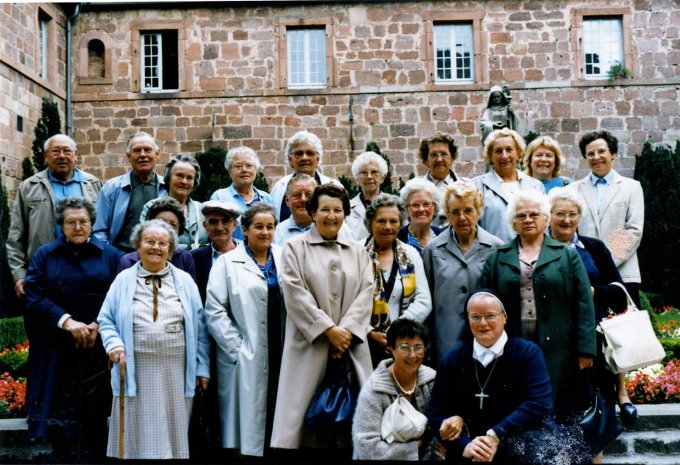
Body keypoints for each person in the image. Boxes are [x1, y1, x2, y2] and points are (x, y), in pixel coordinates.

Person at [271, 184, 374, 453]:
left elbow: (366, 293)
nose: (331, 216)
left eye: (338, 210)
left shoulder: (359, 250)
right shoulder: (294, 247)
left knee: (351, 428)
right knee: (307, 430)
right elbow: (294, 293)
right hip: (310, 344)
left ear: (345, 213)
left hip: (349, 346)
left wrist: (346, 331)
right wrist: (328, 330)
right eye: (325, 209)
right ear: (313, 212)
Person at [98, 219, 210, 459]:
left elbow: (200, 328)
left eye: (162, 243)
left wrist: (202, 367)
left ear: (170, 249)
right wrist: (114, 344)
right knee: (137, 434)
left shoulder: (185, 281)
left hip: (176, 369)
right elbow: (106, 320)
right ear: (138, 246)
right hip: (136, 367)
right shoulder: (123, 280)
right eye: (149, 241)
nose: (156, 247)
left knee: (171, 431)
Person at [480, 190, 596, 415]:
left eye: (534, 214)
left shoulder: (567, 254)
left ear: (546, 219)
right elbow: (486, 303)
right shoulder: (497, 258)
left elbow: (583, 303)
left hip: (560, 347)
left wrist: (586, 349)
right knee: (518, 400)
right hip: (512, 344)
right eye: (521, 216)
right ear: (513, 223)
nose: (528, 220)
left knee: (559, 404)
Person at [23, 197, 122, 462]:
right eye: (71, 222)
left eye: (83, 221)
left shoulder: (111, 256)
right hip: (58, 350)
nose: (78, 227)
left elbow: (122, 294)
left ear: (92, 224)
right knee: (61, 425)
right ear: (61, 226)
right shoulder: (45, 255)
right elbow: (33, 296)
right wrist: (68, 322)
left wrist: (99, 324)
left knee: (97, 422)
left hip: (98, 348)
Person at [548, 188, 634, 461]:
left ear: (579, 218)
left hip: (593, 342)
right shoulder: (537, 248)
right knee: (559, 411)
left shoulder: (594, 247)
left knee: (596, 409)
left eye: (572, 214)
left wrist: (592, 291)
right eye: (559, 214)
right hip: (554, 344)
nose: (566, 220)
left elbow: (619, 295)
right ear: (548, 217)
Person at [427, 291, 554, 464]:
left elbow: (539, 403)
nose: (483, 323)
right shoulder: (453, 359)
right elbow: (436, 413)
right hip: (469, 449)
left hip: (518, 445)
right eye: (475, 317)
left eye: (490, 316)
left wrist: (495, 435)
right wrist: (465, 446)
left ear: (505, 317)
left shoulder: (527, 353)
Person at [205, 203, 284, 457]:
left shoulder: (285, 257)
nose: (265, 232)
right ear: (245, 230)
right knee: (246, 428)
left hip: (282, 349)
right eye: (258, 227)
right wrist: (237, 349)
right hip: (245, 351)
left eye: (270, 227)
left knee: (278, 419)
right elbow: (214, 310)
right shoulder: (227, 263)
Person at [7, 134, 101, 298]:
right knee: (45, 320)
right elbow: (16, 236)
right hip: (44, 271)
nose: (62, 156)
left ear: (75, 154)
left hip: (87, 270)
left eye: (67, 151)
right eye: (56, 151)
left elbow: (102, 228)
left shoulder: (93, 184)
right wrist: (19, 275)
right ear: (46, 156)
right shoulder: (29, 187)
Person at [423, 182, 503, 365]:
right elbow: (426, 299)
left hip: (485, 337)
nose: (462, 217)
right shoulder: (433, 249)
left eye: (468, 210)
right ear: (447, 215)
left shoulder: (496, 247)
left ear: (478, 211)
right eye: (455, 212)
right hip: (445, 339)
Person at [567, 130, 644, 307]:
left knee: (623, 329)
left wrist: (605, 262)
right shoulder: (573, 189)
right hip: (586, 272)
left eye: (602, 151)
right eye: (590, 153)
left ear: (613, 153)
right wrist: (589, 265)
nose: (597, 157)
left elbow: (633, 230)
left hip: (622, 272)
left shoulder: (631, 187)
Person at [352, 319, 437, 460]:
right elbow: (367, 448)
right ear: (391, 348)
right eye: (404, 347)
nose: (412, 355)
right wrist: (413, 447)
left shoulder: (432, 380)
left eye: (418, 347)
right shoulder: (373, 389)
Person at [364, 194, 432, 367]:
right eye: (381, 221)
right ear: (371, 223)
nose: (388, 227)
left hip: (403, 344)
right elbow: (348, 301)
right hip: (365, 344)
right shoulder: (357, 253)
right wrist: (370, 332)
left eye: (393, 221)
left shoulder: (411, 254)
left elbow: (424, 301)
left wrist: (395, 332)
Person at [93, 131, 167, 252]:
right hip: (121, 259)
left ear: (157, 154)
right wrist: (110, 256)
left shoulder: (167, 187)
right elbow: (99, 230)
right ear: (128, 156)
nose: (143, 155)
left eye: (148, 150)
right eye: (137, 151)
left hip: (159, 258)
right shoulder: (111, 188)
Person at [472, 128, 545, 242]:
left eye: (509, 149)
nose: (504, 156)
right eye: (498, 151)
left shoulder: (535, 186)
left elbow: (544, 225)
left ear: (518, 153)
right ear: (490, 156)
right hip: (493, 256)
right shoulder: (476, 187)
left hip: (531, 256)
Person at [269, 130, 339, 222]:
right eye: (299, 154)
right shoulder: (280, 187)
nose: (304, 158)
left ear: (317, 159)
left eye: (310, 153)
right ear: (290, 159)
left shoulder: (334, 186)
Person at [141, 154, 207, 250]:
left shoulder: (203, 210)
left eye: (189, 177)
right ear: (168, 178)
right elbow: (145, 241)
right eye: (179, 175)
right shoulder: (151, 207)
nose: (184, 181)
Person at [119, 197, 196, 279]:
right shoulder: (128, 261)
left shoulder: (185, 258)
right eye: (161, 223)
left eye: (173, 225)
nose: (166, 228)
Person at [210, 146, 273, 241]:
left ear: (256, 169)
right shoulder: (219, 197)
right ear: (229, 171)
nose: (244, 170)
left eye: (249, 165)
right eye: (238, 166)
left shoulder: (267, 198)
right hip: (231, 254)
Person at [273, 174, 354, 245]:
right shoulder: (277, 233)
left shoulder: (341, 230)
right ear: (287, 200)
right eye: (297, 195)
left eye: (309, 194)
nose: (303, 199)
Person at [191, 200, 242, 304]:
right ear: (205, 226)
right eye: (213, 222)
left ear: (235, 225)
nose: (219, 228)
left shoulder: (249, 253)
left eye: (226, 221)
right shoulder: (194, 258)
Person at [345, 151, 388, 241]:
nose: (369, 177)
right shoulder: (346, 208)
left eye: (374, 172)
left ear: (383, 177)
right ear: (357, 178)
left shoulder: (394, 205)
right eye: (364, 173)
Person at [398, 178, 444, 255]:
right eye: (415, 205)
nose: (421, 209)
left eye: (426, 204)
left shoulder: (444, 237)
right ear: (407, 209)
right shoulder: (397, 239)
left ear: (434, 208)